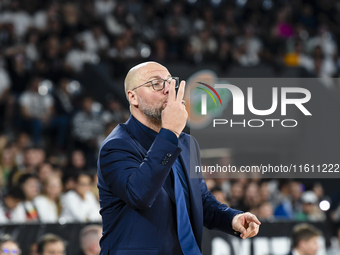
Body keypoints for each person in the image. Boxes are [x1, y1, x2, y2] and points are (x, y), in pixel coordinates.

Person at [97, 61, 261, 255]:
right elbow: (139, 195)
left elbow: (200, 199)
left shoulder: (186, 143)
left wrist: (231, 219)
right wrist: (170, 132)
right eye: (156, 84)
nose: (168, 89)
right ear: (133, 97)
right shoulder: (117, 146)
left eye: (169, 82)